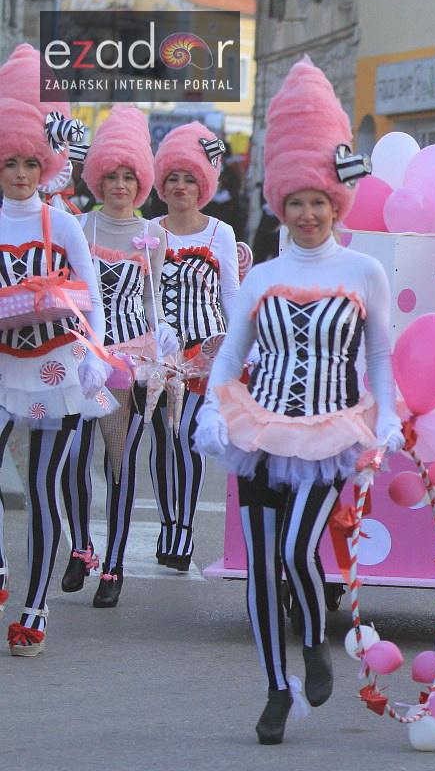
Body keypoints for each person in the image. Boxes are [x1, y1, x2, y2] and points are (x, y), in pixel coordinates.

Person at [194, 58, 396, 744]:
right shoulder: (265, 274)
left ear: (336, 202)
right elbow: (231, 353)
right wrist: (217, 406)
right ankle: (275, 689)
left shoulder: (363, 269)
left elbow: (379, 355)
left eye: (319, 201)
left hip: (329, 429)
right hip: (260, 426)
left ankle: (312, 638)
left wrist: (388, 417)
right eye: (296, 203)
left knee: (299, 551)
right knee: (259, 562)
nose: (308, 214)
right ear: (280, 204)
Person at [0, 44, 112, 656]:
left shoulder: (62, 222)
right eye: (9, 161)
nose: (19, 173)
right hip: (1, 362)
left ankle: (36, 607)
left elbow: (92, 297)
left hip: (59, 367)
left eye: (28, 162)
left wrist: (93, 353)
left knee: (43, 485)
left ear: (44, 163)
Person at [59, 105, 177, 608]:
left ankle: (114, 566)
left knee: (120, 463)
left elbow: (152, 300)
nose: (121, 185)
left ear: (142, 181)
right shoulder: (77, 228)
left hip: (130, 363)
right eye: (112, 175)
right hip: (79, 356)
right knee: (71, 460)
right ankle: (82, 546)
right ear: (97, 177)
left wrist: (164, 330)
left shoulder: (155, 235)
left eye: (130, 176)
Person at [149, 121, 241, 570]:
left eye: (189, 178)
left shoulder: (219, 233)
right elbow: (136, 292)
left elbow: (232, 296)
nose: (180, 186)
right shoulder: (146, 230)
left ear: (202, 184)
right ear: (160, 182)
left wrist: (238, 348)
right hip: (157, 354)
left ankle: (183, 531)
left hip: (203, 353)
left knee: (185, 435)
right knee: (160, 438)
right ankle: (167, 522)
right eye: (173, 178)